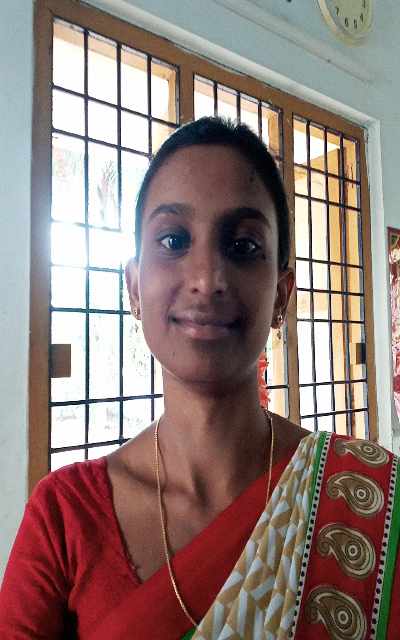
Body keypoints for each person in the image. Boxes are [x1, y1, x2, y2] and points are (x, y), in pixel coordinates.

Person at [0, 117, 399, 639]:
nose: (208, 279)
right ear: (134, 287)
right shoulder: (64, 517)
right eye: (173, 239)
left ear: (281, 296)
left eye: (244, 246)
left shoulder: (361, 498)